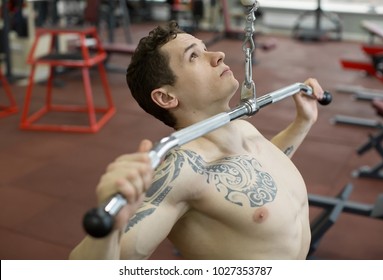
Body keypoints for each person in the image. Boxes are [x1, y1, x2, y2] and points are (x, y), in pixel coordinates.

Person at [69, 20, 326, 260]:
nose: (217, 56)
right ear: (167, 97)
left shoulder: (242, 129)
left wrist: (302, 122)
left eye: (205, 49)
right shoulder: (183, 172)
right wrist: (111, 228)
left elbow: (261, 173)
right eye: (194, 56)